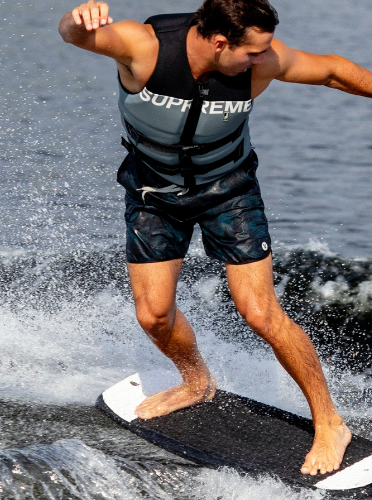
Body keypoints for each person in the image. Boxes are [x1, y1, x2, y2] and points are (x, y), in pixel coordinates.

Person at [58, 0, 372, 476]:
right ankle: (195, 380)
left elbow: (330, 71)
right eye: (253, 52)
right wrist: (79, 18)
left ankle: (330, 422)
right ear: (220, 43)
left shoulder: (259, 63)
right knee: (154, 315)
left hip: (230, 191)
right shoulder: (144, 48)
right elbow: (74, 36)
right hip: (153, 192)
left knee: (260, 311)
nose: (263, 59)